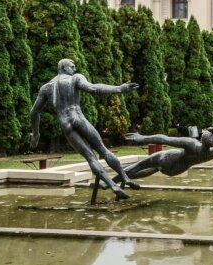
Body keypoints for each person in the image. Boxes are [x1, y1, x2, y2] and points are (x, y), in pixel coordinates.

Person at [30, 59, 140, 200]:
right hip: (78, 118)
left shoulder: (46, 87)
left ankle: (113, 186)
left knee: (90, 157)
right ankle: (125, 178)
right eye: (72, 66)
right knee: (103, 149)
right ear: (63, 67)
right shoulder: (75, 78)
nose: (74, 69)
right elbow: (94, 88)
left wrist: (36, 133)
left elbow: (34, 112)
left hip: (65, 123)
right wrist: (119, 88)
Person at [110, 126, 213, 184]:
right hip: (176, 170)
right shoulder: (211, 153)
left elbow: (164, 139)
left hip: (169, 159)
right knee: (153, 169)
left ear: (202, 138)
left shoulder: (192, 144)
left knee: (140, 165)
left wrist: (142, 138)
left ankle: (110, 182)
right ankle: (121, 180)